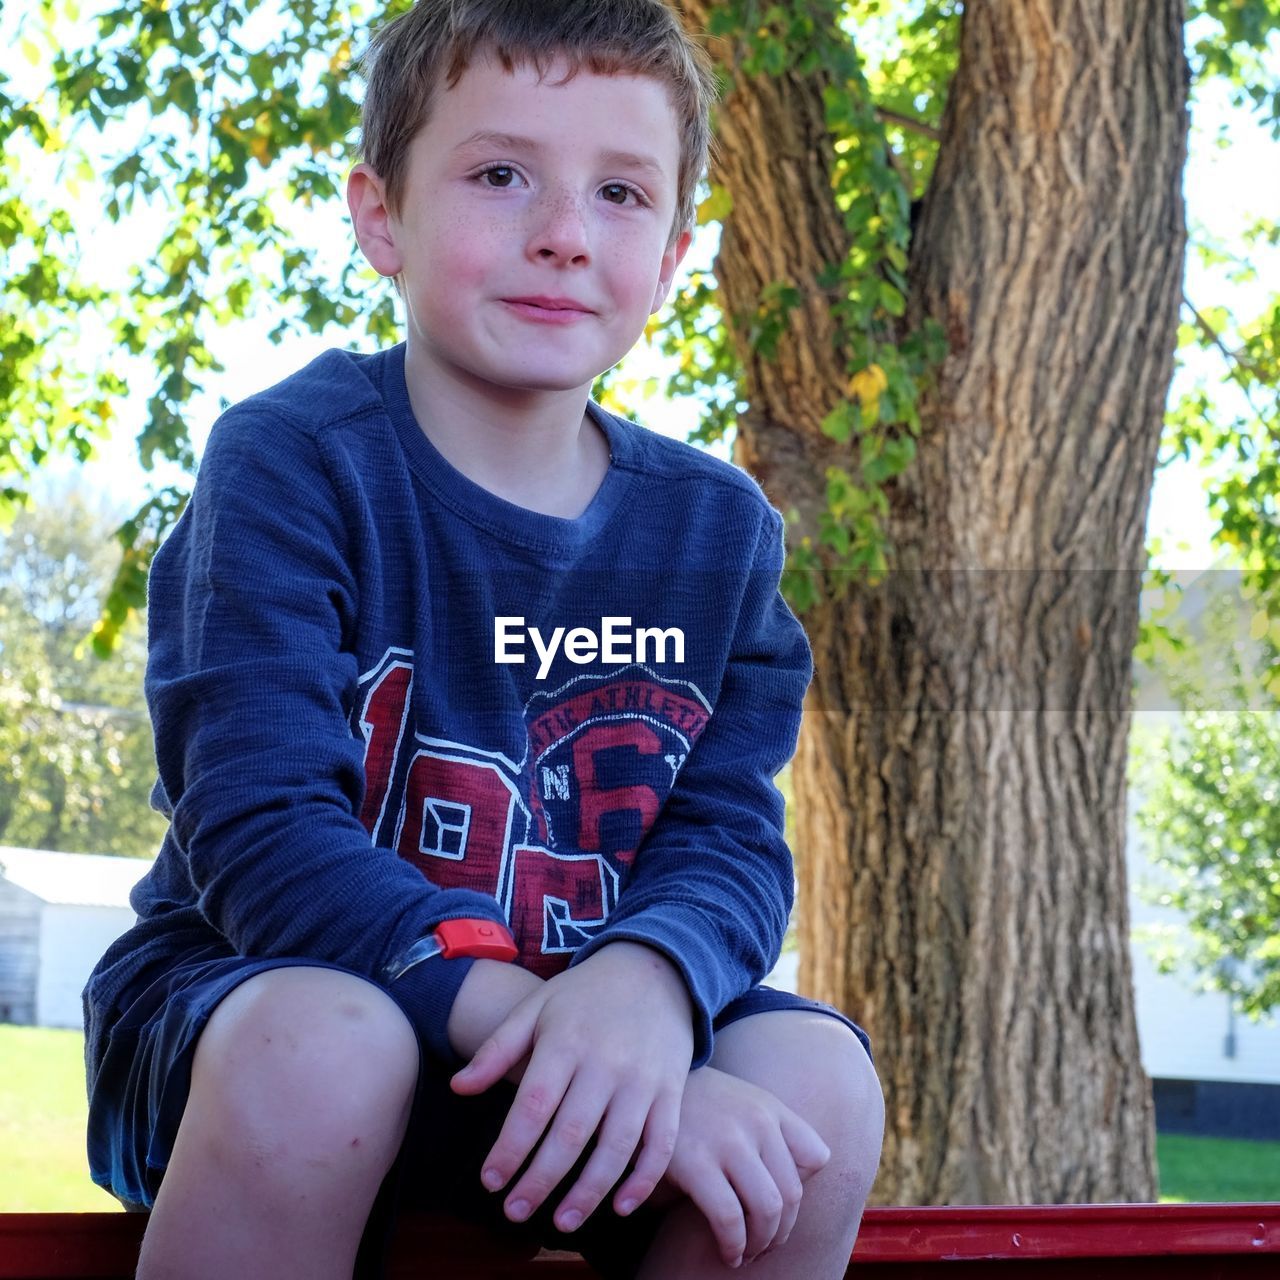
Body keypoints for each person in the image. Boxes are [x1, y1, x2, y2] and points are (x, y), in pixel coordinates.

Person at [82, 2, 884, 1277]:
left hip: (575, 1055)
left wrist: (643, 990)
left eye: (619, 193)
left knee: (817, 1086)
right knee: (326, 1044)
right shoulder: (294, 462)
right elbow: (261, 822)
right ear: (380, 214)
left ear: (674, 254)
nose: (563, 234)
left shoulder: (716, 532)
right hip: (254, 1019)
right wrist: (541, 1017)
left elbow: (727, 838)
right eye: (501, 173)